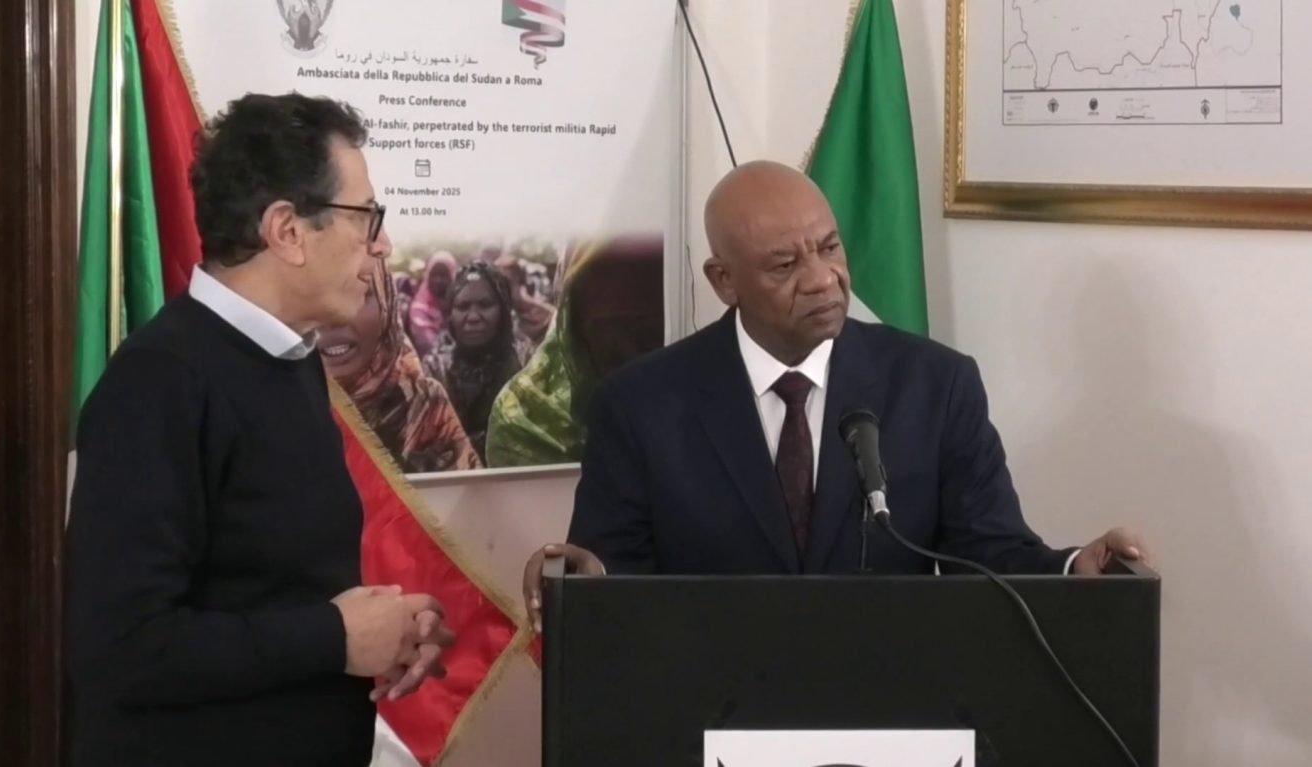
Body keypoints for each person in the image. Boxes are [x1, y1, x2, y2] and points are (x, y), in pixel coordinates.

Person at [522, 161, 1152, 625]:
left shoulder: (936, 386)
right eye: (785, 265)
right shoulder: (640, 406)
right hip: (710, 714)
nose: (823, 279)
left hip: (889, 706)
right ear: (724, 281)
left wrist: (1073, 567)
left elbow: (988, 552)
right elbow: (611, 581)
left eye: (829, 248)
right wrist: (581, 579)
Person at [66, 93, 453, 767]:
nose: (383, 244)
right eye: (367, 216)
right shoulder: (159, 383)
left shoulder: (291, 360)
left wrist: (384, 635)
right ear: (287, 230)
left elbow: (275, 589)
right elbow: (121, 647)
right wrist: (334, 637)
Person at [485, 236, 664, 467]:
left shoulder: (695, 397)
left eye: (646, 332)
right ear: (573, 312)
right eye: (608, 329)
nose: (625, 347)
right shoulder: (526, 416)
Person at [321, 259, 481, 473]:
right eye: (309, 296)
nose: (332, 318)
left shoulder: (424, 404)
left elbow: (465, 490)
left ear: (387, 304)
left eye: (355, 293)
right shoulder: (278, 410)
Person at [423, 261, 533, 459]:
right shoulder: (436, 370)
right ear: (450, 314)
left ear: (504, 311)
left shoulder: (526, 364)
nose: (473, 317)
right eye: (462, 306)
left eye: (485, 305)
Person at [406, 250, 457, 357]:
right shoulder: (419, 309)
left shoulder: (459, 305)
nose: (438, 280)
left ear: (453, 277)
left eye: (444, 276)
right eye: (434, 275)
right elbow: (429, 344)